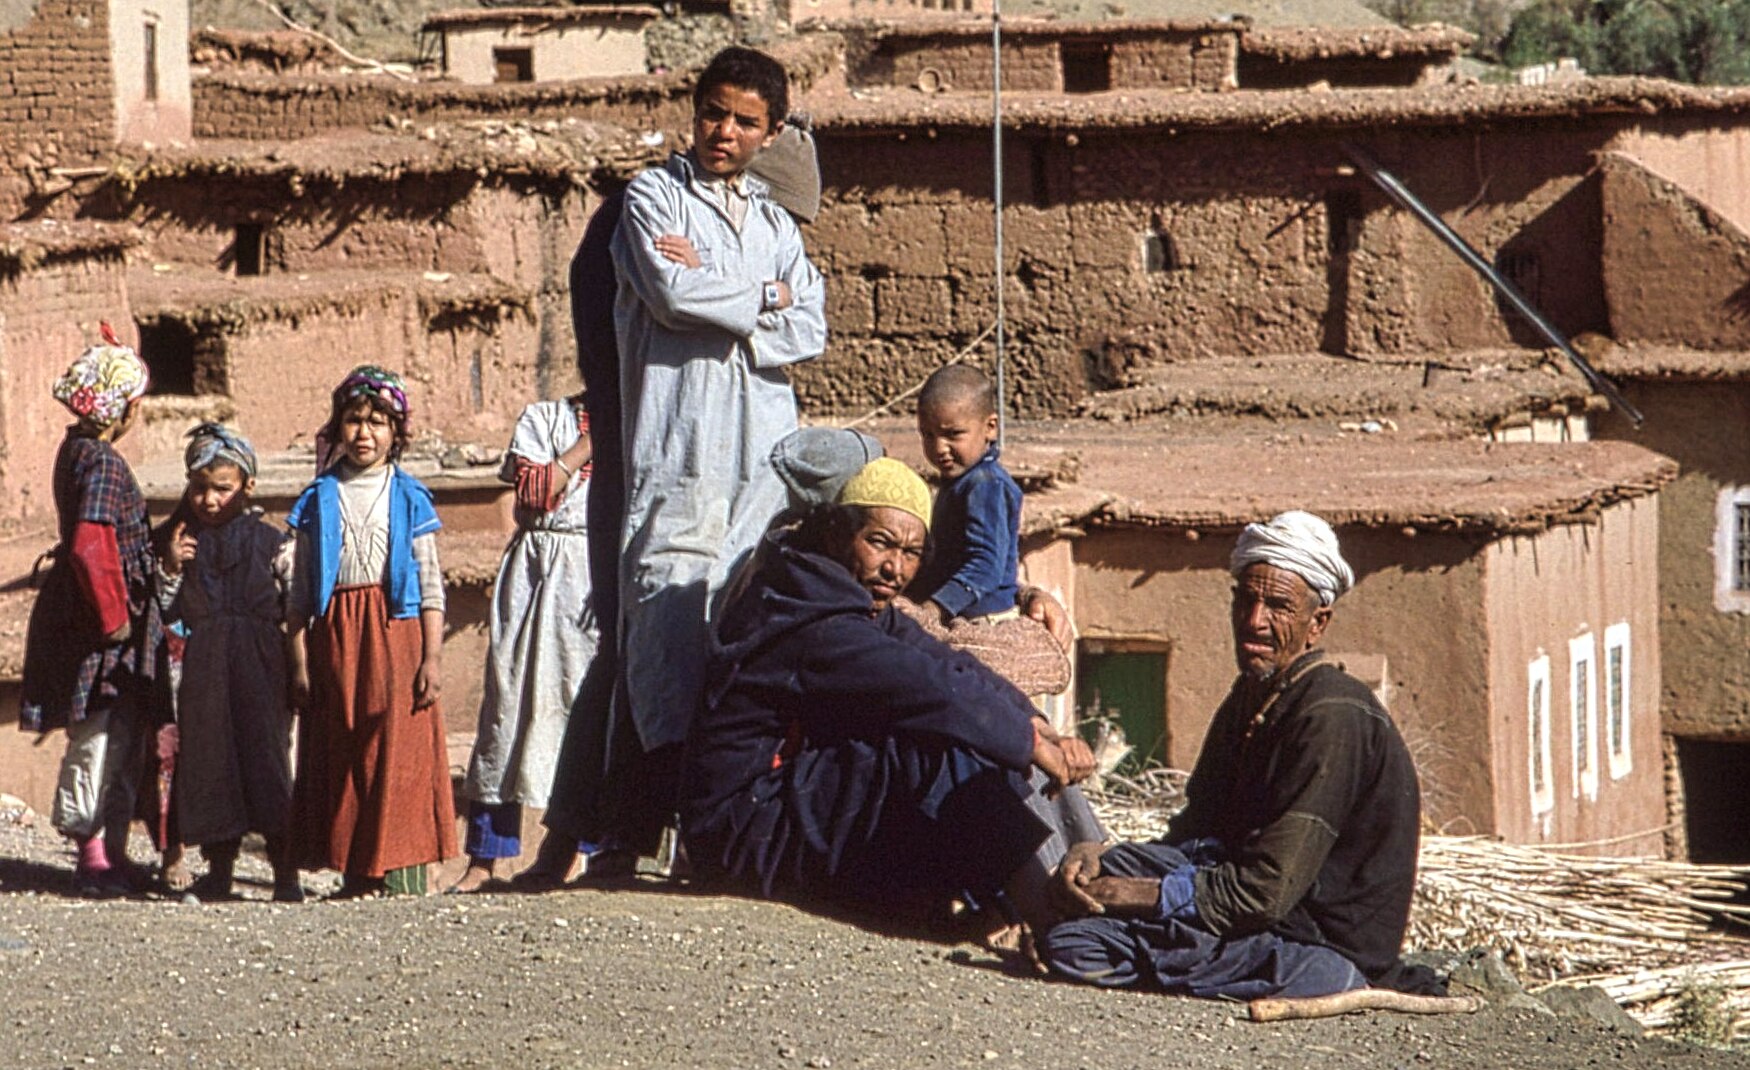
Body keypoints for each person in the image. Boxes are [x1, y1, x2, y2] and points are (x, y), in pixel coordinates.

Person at [1042, 511, 1440, 999]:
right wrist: (1103, 859)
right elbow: (1197, 831)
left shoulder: (1332, 718)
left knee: (1074, 944)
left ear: (1317, 624)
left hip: (1312, 937)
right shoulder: (1252, 695)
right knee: (1090, 885)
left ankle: (1317, 980)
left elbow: (1265, 891)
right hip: (1235, 892)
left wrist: (1138, 895)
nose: (1255, 621)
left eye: (1278, 606)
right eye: (1246, 601)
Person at [682, 458, 1094, 927]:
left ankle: (1054, 886)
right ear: (839, 534)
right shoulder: (810, 618)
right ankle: (1041, 910)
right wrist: (1032, 746)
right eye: (879, 542)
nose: (895, 568)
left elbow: (950, 663)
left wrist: (1037, 725)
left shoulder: (849, 598)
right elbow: (928, 688)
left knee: (963, 721)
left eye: (911, 552)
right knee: (933, 734)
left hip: (789, 808)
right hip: (741, 833)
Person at [605, 44, 827, 866]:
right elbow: (671, 291)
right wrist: (762, 294)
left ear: (769, 134)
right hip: (680, 445)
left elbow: (811, 325)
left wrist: (743, 293)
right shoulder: (653, 197)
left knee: (742, 617)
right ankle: (638, 830)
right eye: (714, 113)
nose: (723, 132)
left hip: (760, 453)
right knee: (664, 619)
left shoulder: (773, 222)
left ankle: (718, 834)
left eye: (744, 121)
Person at [284, 366, 456, 898]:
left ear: (396, 432)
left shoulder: (409, 496)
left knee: (393, 748)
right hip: (335, 631)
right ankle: (352, 869)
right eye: (355, 420)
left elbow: (430, 583)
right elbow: (300, 585)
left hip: (394, 627)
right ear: (338, 429)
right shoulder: (319, 498)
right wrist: (299, 662)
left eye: (378, 422)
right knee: (341, 743)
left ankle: (384, 869)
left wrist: (431, 658)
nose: (365, 433)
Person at [20, 326, 165, 898]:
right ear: (120, 409)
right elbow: (89, 543)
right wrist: (115, 620)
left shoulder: (74, 450)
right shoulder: (103, 464)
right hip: (102, 623)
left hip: (85, 613)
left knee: (113, 731)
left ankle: (110, 852)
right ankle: (93, 855)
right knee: (99, 734)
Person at [452, 393, 596, 893]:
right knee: (505, 708)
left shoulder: (643, 415)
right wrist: (590, 444)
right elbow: (536, 493)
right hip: (535, 570)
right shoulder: (544, 418)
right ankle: (484, 858)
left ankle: (577, 855)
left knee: (586, 707)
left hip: (592, 576)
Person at [165, 424, 302, 903]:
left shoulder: (274, 541)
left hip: (261, 663)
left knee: (266, 758)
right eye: (199, 488)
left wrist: (300, 665)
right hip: (205, 667)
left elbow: (296, 603)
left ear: (248, 487)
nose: (209, 500)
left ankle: (286, 873)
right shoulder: (185, 543)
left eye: (221, 488)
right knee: (210, 761)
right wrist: (170, 567)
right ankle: (219, 870)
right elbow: (169, 608)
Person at [911, 365, 1021, 625]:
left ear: (990, 427)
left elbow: (985, 565)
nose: (939, 448)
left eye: (953, 435)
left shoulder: (986, 485)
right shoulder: (959, 482)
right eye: (928, 435)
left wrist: (936, 607)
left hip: (983, 617)